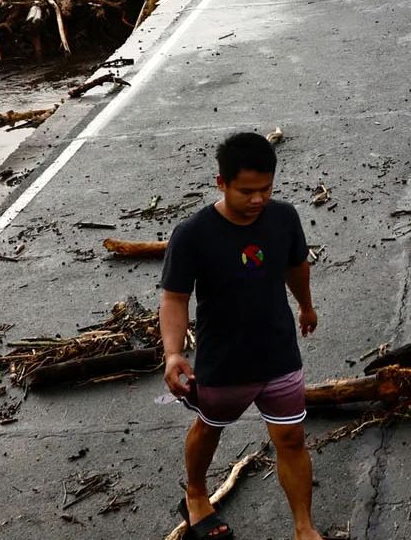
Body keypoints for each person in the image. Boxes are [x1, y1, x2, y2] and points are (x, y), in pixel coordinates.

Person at [161, 132, 320, 540]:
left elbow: (295, 267)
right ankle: (196, 495)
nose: (257, 200)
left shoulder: (284, 217)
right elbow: (176, 298)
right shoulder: (193, 234)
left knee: (291, 437)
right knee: (210, 425)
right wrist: (173, 354)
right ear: (222, 183)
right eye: (246, 191)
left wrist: (305, 305)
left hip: (278, 353)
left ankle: (304, 528)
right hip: (224, 362)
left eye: (265, 189)